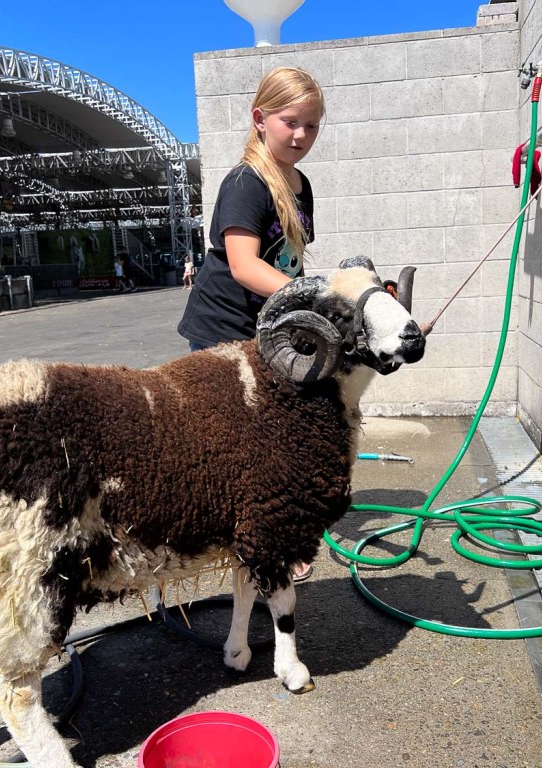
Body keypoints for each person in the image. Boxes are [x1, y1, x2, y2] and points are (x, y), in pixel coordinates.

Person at [177, 66, 324, 583]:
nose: (301, 135)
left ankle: (271, 534)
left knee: (274, 431)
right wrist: (312, 295)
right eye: (291, 122)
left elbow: (289, 260)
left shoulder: (300, 184)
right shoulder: (246, 182)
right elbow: (243, 265)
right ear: (260, 119)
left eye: (312, 125)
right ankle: (223, 530)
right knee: (221, 436)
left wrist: (309, 303)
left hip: (267, 326)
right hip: (223, 324)